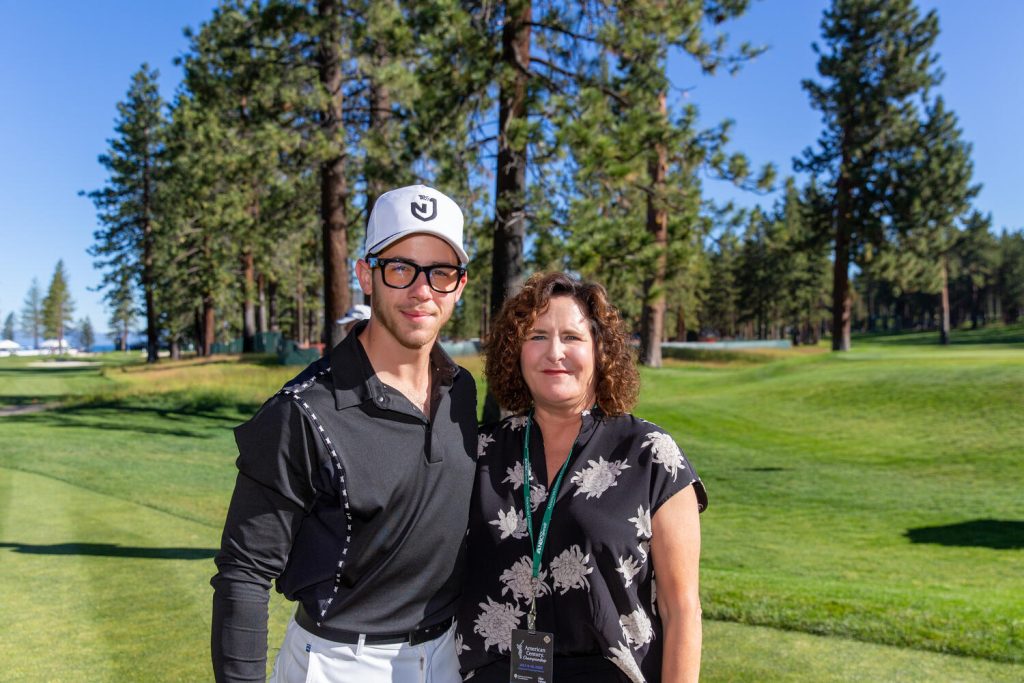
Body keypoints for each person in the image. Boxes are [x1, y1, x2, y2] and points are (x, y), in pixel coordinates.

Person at [211, 184, 478, 683]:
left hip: (449, 656)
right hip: (342, 664)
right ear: (366, 276)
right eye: (401, 268)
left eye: (441, 273)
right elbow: (244, 574)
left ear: (459, 286)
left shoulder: (461, 390)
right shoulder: (302, 412)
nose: (422, 290)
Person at [457, 272, 708, 683]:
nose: (554, 352)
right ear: (514, 351)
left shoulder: (651, 455)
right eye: (536, 336)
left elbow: (682, 609)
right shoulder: (480, 452)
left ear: (600, 350)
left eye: (572, 337)